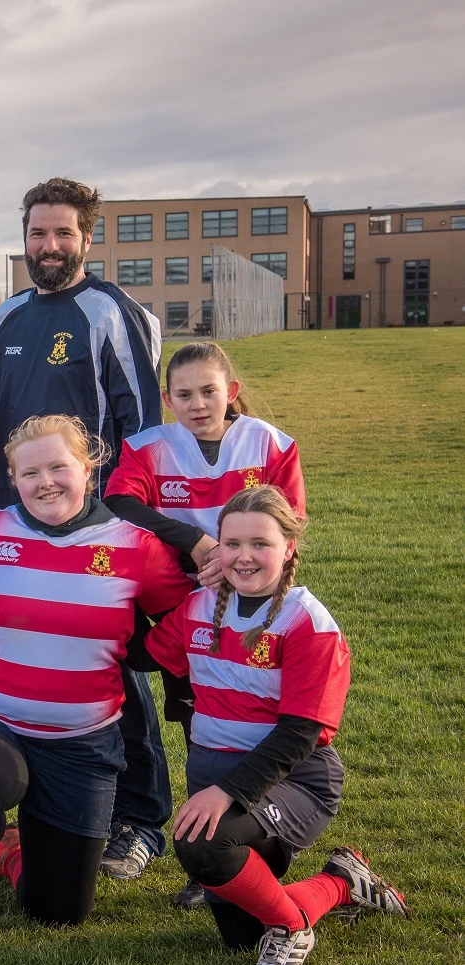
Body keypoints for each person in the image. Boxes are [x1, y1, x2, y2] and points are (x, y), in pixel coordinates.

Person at [0, 415, 190, 962]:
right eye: (30, 472)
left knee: (59, 911)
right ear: (13, 478)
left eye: (60, 466)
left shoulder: (136, 547)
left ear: (87, 467)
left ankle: (11, 850)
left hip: (82, 741)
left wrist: (213, 565)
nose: (47, 482)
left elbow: (184, 615)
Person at [0, 178, 169, 882]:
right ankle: (45, 808)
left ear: (86, 237)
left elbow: (144, 433)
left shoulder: (111, 312)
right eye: (36, 234)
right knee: (35, 663)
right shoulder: (3, 319)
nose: (48, 247)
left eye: (61, 234)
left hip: (98, 529)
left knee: (110, 665)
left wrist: (125, 523)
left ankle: (140, 820)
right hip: (16, 526)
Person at [147, 487, 408, 965]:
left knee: (204, 844)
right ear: (216, 549)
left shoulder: (308, 623)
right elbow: (144, 653)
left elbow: (300, 734)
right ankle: (340, 882)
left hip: (295, 782)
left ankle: (292, 929)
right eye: (232, 544)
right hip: (224, 783)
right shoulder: (199, 607)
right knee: (242, 937)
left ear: (289, 547)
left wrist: (224, 793)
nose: (244, 557)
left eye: (260, 544)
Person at [104, 340, 306, 906]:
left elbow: (287, 525)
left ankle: (254, 839)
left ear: (231, 392)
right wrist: (196, 543)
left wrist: (235, 563)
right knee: (198, 722)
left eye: (209, 391)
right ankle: (202, 851)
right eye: (185, 394)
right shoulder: (149, 447)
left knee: (249, 719)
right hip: (181, 608)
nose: (198, 404)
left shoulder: (268, 442)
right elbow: (121, 505)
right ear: (168, 400)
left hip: (252, 606)